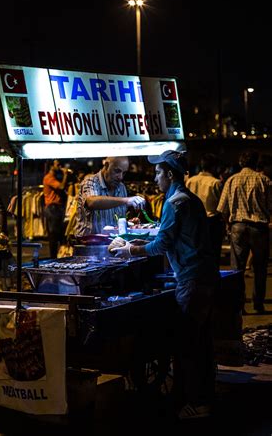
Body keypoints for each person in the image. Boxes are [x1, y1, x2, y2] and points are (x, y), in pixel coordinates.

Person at [111, 150, 218, 419]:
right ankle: (205, 399)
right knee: (202, 343)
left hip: (191, 281)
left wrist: (129, 251)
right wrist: (137, 244)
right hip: (205, 276)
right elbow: (171, 237)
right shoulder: (190, 199)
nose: (155, 177)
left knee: (188, 346)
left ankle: (194, 403)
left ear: (170, 175)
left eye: (158, 172)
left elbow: (163, 243)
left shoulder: (174, 202)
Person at [217, 151, 271, 314]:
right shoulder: (264, 180)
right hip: (259, 228)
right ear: (256, 163)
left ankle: (239, 305)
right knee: (260, 268)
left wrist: (228, 225)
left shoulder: (231, 181)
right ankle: (258, 304)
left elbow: (222, 208)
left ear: (241, 163)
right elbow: (270, 206)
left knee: (237, 269)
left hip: (237, 227)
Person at [74, 156, 145, 237]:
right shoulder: (91, 181)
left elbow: (114, 222)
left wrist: (128, 224)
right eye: (117, 171)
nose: (120, 177)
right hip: (88, 245)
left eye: (124, 173)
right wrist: (126, 200)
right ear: (107, 166)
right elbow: (92, 202)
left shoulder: (121, 188)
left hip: (111, 244)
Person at [186, 153, 224, 267]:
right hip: (212, 222)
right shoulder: (216, 183)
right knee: (213, 253)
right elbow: (221, 205)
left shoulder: (190, 181)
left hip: (194, 221)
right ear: (214, 167)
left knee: (197, 252)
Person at [43, 160, 69, 258]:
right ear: (51, 166)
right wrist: (65, 174)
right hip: (52, 208)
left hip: (57, 208)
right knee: (53, 235)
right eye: (57, 164)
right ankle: (53, 257)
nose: (60, 166)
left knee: (59, 234)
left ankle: (58, 256)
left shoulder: (54, 177)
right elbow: (61, 187)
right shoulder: (49, 178)